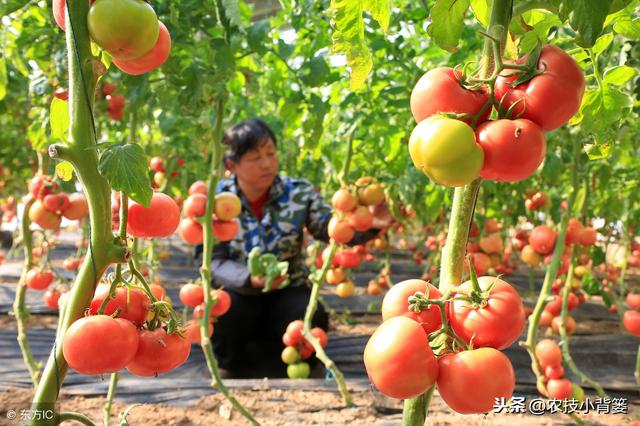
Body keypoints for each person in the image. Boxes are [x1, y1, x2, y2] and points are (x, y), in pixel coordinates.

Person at [204, 118, 392, 378]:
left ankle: (283, 361)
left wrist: (370, 223)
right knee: (226, 312)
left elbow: (331, 228)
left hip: (287, 290)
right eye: (255, 157)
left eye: (270, 153)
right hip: (240, 291)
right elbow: (213, 261)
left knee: (310, 314)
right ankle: (231, 367)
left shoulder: (298, 192)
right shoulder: (216, 200)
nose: (267, 163)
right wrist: (249, 279)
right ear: (231, 164)